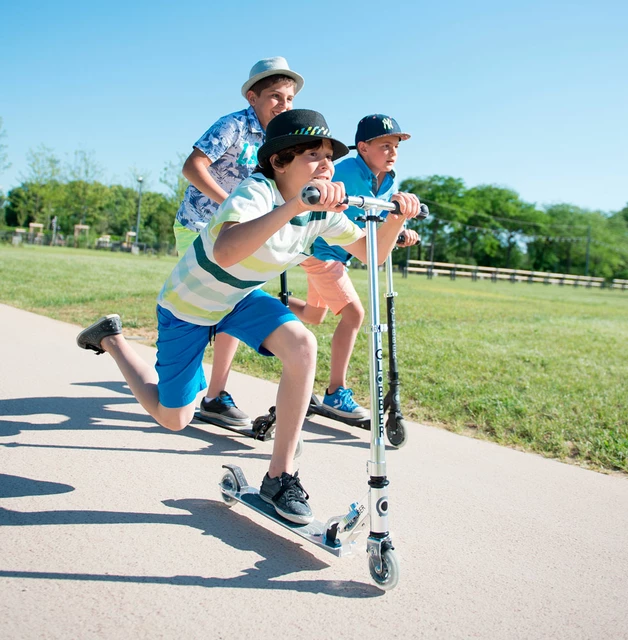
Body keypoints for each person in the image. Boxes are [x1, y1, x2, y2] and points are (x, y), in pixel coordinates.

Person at [76, 109, 420, 525]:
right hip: (190, 305)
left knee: (301, 345)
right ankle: (112, 340)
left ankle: (280, 477)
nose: (327, 164)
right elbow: (225, 252)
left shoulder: (321, 210)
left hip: (239, 297)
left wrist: (396, 217)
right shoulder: (256, 191)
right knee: (174, 418)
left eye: (329, 155)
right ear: (279, 161)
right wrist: (294, 205)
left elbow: (373, 252)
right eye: (314, 154)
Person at [174, 56, 304, 429]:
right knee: (208, 303)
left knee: (235, 300)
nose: (283, 105)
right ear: (253, 97)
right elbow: (192, 166)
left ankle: (214, 396)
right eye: (275, 97)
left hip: (244, 232)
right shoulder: (232, 125)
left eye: (289, 99)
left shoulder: (281, 140)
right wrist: (227, 206)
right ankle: (185, 387)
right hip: (200, 224)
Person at [287, 114, 420, 420]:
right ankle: (336, 392)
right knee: (354, 314)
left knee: (314, 315)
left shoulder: (389, 180)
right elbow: (313, 200)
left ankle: (268, 303)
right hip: (320, 251)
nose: (393, 152)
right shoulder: (343, 171)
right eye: (385, 145)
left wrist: (397, 232)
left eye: (396, 146)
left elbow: (372, 223)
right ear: (362, 147)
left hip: (342, 252)